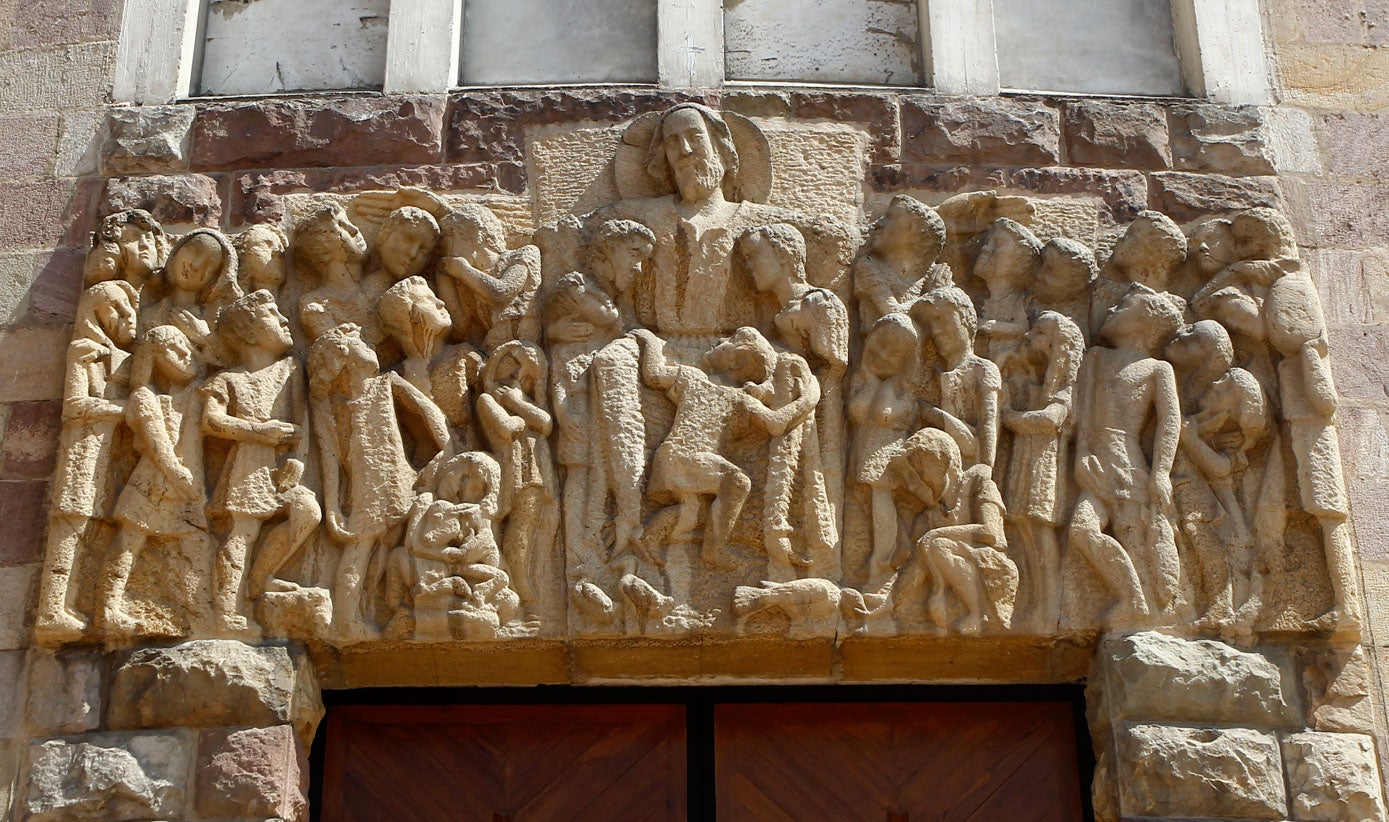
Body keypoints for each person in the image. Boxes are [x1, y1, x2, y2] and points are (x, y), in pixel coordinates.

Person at [309, 324, 450, 643]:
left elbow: (429, 414)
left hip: (400, 477)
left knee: (387, 546)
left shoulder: (387, 382)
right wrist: (332, 506)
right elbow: (329, 458)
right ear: (343, 360)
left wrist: (443, 449)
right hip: (367, 487)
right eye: (358, 343)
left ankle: (371, 605)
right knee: (361, 549)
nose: (367, 344)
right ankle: (347, 619)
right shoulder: (331, 406)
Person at [202, 291, 320, 635]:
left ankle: (258, 579)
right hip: (248, 464)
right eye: (273, 315)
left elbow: (304, 420)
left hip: (282, 466)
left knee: (307, 512)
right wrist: (257, 432)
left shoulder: (290, 369)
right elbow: (211, 421)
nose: (285, 320)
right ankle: (226, 610)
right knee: (242, 533)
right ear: (249, 333)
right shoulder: (228, 380)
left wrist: (297, 461)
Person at [1069, 285, 1185, 627]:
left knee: (1135, 533)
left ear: (1144, 324)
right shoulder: (1095, 359)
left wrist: (1161, 471)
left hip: (1129, 458)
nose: (1114, 307)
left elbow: (1169, 420)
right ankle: (1133, 598)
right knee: (1081, 531)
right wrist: (1081, 454)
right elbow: (1084, 414)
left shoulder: (1157, 369)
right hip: (1096, 460)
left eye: (1125, 305)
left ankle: (1149, 605)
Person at [34, 280, 139, 642]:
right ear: (95, 309)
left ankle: (70, 602)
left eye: (127, 312)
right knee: (72, 523)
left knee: (88, 524)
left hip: (104, 452)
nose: (124, 318)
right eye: (116, 309)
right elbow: (76, 405)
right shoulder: (84, 350)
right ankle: (51, 608)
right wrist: (122, 410)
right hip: (83, 449)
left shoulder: (115, 355)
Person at [101, 325, 207, 636]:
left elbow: (209, 372)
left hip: (185, 485)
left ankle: (199, 609)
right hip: (153, 482)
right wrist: (177, 474)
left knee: (197, 544)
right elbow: (157, 443)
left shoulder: (191, 393)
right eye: (174, 350)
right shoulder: (144, 397)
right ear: (153, 360)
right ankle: (108, 607)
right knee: (129, 543)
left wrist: (201, 340)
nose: (184, 355)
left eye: (186, 347)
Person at [1001, 310, 1084, 631]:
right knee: (1023, 526)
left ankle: (1049, 606)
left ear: (1055, 346)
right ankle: (1037, 600)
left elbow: (1050, 420)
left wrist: (1013, 419)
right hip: (1027, 460)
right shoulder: (1039, 383)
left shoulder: (1066, 389)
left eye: (1038, 334)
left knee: (1039, 531)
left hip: (1045, 467)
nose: (1029, 338)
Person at [477, 341, 558, 619]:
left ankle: (521, 587)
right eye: (510, 364)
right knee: (515, 533)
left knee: (530, 530)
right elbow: (509, 428)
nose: (515, 375)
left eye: (524, 373)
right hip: (510, 473)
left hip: (533, 474)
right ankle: (519, 591)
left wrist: (517, 403)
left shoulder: (520, 401)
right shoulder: (487, 400)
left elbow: (545, 423)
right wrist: (515, 405)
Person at [848, 314, 921, 586]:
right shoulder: (861, 379)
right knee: (867, 501)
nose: (882, 355)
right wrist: (870, 382)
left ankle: (880, 558)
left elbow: (885, 415)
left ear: (905, 363)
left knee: (880, 500)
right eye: (879, 345)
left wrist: (884, 386)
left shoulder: (902, 390)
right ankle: (896, 546)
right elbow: (855, 413)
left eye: (894, 354)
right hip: (865, 449)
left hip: (886, 453)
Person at [437, 204, 541, 350]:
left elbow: (502, 291)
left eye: (448, 238)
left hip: (525, 348)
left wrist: (462, 270)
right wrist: (443, 277)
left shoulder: (523, 254)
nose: (445, 250)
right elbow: (459, 328)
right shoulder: (468, 283)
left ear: (473, 234)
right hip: (493, 349)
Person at [852, 195, 950, 327]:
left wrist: (944, 295)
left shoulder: (932, 274)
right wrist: (936, 295)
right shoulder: (869, 265)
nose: (879, 223)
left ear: (914, 233)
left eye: (890, 217)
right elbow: (893, 312)